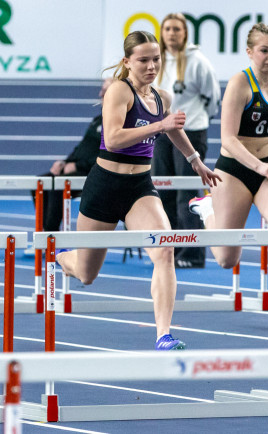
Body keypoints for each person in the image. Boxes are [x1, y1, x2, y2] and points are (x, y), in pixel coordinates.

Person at [56, 31, 220, 351]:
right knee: (86, 274)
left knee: (165, 250)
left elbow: (174, 131)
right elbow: (114, 138)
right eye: (143, 60)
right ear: (127, 62)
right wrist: (160, 126)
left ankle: (163, 334)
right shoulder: (119, 90)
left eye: (156, 59)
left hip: (139, 188)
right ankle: (63, 257)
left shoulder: (162, 97)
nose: (151, 66)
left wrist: (195, 161)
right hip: (104, 186)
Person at [188, 23, 268, 333]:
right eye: (264, 51)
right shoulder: (239, 85)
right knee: (227, 259)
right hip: (235, 171)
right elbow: (228, 139)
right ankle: (208, 211)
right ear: (249, 52)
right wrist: (258, 167)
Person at [152, 13, 220, 268]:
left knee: (187, 194)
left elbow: (213, 97)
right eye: (168, 29)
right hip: (162, 132)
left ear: (185, 33)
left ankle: (192, 254)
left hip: (191, 131)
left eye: (177, 29)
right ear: (162, 32)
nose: (172, 33)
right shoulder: (156, 60)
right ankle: (171, 250)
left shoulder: (198, 61)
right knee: (163, 191)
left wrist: (196, 119)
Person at [33, 78, 110, 232]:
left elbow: (108, 154)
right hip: (78, 168)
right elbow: (82, 148)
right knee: (40, 183)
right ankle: (46, 232)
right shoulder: (97, 120)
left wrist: (77, 166)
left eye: (105, 90)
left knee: (58, 186)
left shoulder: (115, 121)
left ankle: (51, 236)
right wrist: (65, 162)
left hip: (94, 173)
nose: (100, 94)